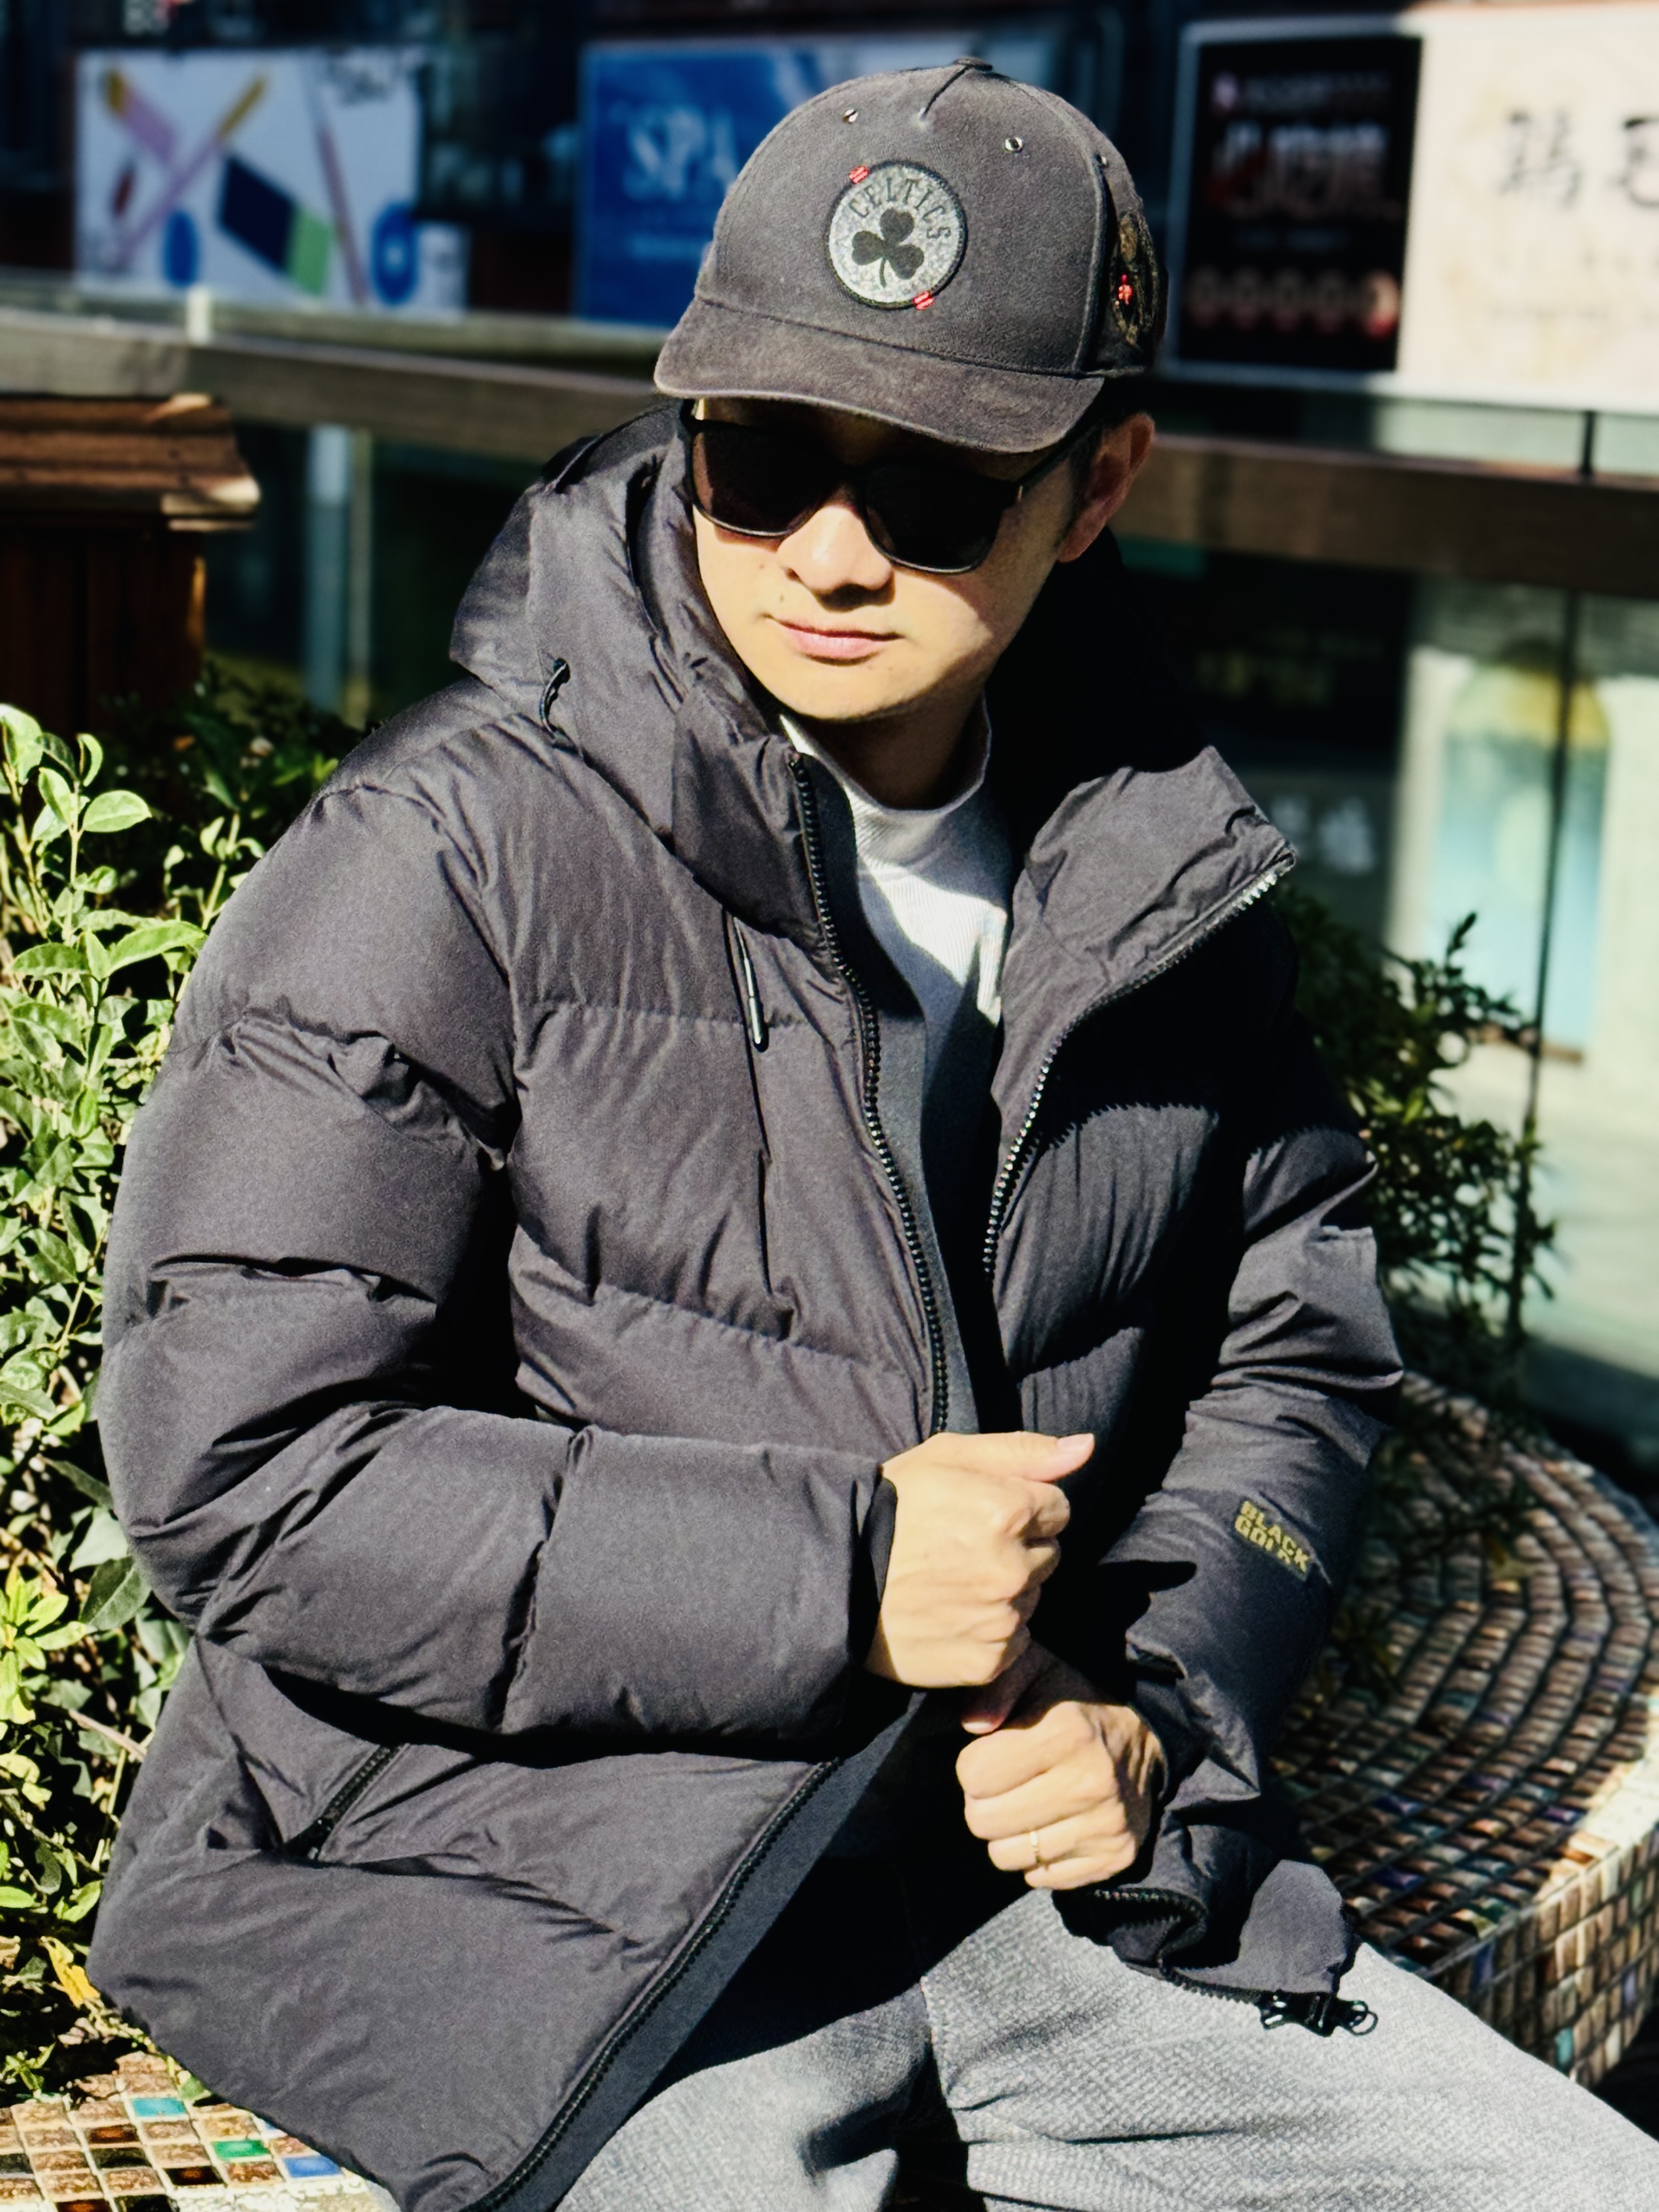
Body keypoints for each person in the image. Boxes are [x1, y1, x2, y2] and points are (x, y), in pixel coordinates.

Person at [90, 59, 1658, 2212]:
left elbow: (1289, 1349)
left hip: (1021, 1883)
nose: (829, 551)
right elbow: (246, 1474)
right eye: (759, 459)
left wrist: (1151, 1704)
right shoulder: (441, 850)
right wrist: (837, 1570)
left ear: (1097, 484)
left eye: (932, 485)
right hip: (521, 1893)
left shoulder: (1153, 867)